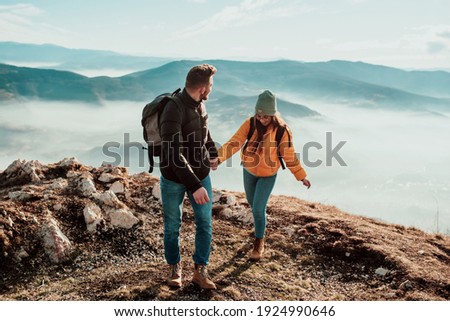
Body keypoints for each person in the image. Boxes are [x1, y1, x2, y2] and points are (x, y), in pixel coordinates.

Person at [212, 90, 311, 261]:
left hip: (268, 175)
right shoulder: (250, 124)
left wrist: (301, 176)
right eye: (259, 116)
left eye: (266, 116)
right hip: (249, 171)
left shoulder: (282, 130)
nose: (262, 119)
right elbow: (234, 142)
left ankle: (259, 243)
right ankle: (260, 226)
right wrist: (219, 158)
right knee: (253, 204)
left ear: (273, 114)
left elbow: (289, 155)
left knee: (258, 208)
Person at [159, 64, 218, 289]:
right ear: (202, 88)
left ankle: (200, 271)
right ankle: (174, 267)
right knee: (173, 225)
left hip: (201, 174)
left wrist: (212, 154)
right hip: (174, 178)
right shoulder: (173, 109)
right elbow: (173, 153)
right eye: (211, 85)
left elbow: (204, 131)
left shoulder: (200, 105)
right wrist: (195, 186)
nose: (212, 89)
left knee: (205, 223)